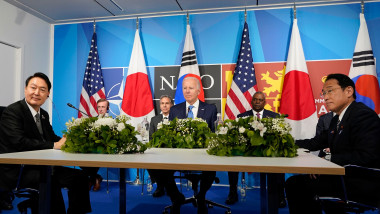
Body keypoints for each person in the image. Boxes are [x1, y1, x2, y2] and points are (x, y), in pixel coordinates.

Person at [285, 73, 380, 214]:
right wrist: (286, 143)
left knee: (296, 184)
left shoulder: (362, 115)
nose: (325, 97)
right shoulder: (336, 119)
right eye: (323, 93)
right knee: (297, 183)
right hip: (342, 176)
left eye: (330, 91)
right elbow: (315, 143)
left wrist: (325, 162)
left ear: (348, 91)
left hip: (361, 181)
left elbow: (366, 156)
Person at [0, 72, 92, 214]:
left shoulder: (43, 114)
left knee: (80, 178)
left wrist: (69, 141)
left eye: (42, 90)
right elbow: (19, 142)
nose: (37, 93)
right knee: (50, 180)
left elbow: (50, 137)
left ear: (48, 94)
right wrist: (54, 145)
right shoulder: (13, 111)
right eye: (33, 88)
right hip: (19, 169)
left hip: (43, 166)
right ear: (25, 89)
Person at [157, 76, 217, 214]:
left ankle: (201, 196)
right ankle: (176, 197)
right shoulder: (175, 110)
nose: (187, 91)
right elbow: (171, 134)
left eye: (190, 88)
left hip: (203, 154)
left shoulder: (210, 109)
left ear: (198, 90)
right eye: (185, 88)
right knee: (160, 169)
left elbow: (214, 133)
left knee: (211, 169)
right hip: (179, 155)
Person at [226, 92, 286, 207]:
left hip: (267, 152)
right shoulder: (241, 117)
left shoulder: (274, 116)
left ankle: (280, 196)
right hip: (247, 151)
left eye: (260, 100)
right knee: (232, 160)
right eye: (255, 100)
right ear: (251, 101)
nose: (257, 102)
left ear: (265, 102)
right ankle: (232, 193)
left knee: (279, 159)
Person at [147, 95, 174, 197]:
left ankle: (163, 186)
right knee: (149, 163)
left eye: (167, 103)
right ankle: (160, 185)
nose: (165, 106)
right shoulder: (154, 119)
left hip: (173, 152)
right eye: (162, 103)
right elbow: (151, 138)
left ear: (171, 105)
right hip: (158, 151)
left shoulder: (176, 118)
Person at [81, 98, 109, 191]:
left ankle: (91, 180)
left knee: (95, 154)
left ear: (107, 108)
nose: (100, 109)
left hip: (105, 148)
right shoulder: (93, 120)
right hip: (92, 147)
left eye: (103, 107)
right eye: (99, 107)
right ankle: (96, 178)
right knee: (80, 155)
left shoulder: (111, 121)